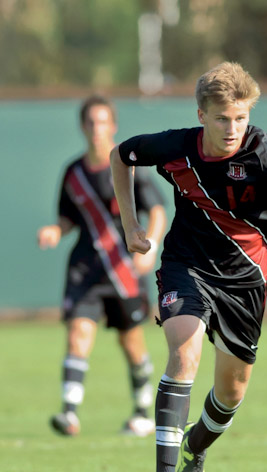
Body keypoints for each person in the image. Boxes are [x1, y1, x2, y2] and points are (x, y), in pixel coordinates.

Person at [110, 62, 267, 472]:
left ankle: (195, 446)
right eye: (222, 117)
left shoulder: (264, 155)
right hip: (186, 264)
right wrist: (130, 226)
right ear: (201, 114)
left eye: (241, 118)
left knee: (231, 392)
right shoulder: (176, 148)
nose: (232, 127)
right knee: (184, 353)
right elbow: (122, 156)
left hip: (246, 279)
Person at [37, 95, 167, 437]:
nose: (97, 129)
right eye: (91, 123)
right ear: (83, 127)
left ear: (114, 125)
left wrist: (150, 246)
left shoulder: (127, 166)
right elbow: (67, 218)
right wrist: (55, 229)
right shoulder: (73, 173)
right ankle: (69, 413)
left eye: (103, 121)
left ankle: (142, 411)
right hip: (85, 269)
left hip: (123, 270)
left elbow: (156, 211)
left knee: (131, 342)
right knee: (78, 334)